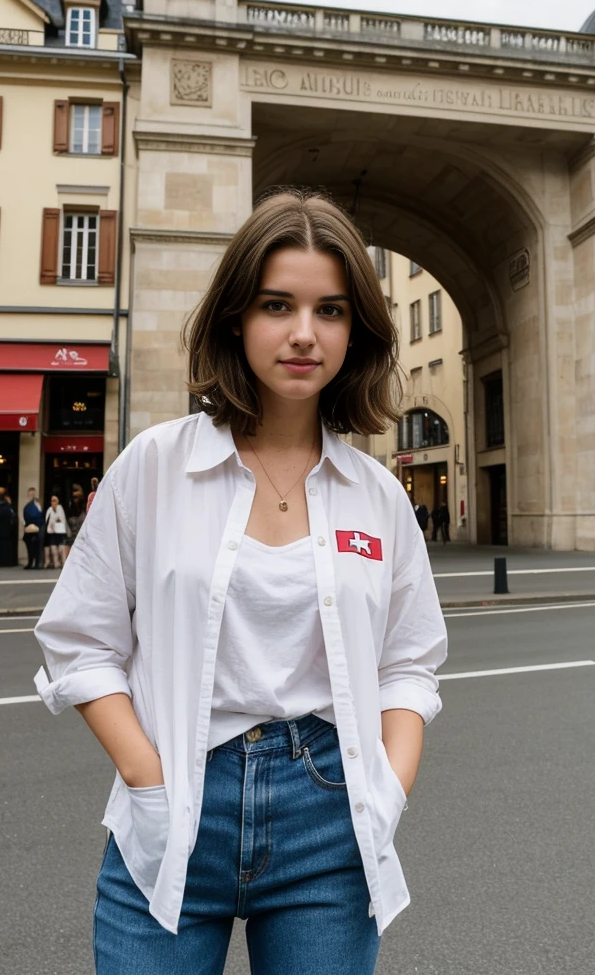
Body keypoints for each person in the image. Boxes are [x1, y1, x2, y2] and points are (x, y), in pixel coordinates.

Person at [33, 188, 448, 975]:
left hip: (329, 821)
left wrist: (386, 792)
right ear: (235, 317)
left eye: (329, 310)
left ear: (354, 329)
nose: (303, 333)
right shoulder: (156, 466)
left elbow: (410, 664)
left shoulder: (377, 493)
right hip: (177, 808)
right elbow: (80, 642)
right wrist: (145, 777)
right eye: (275, 305)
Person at [0, 487, 16, 567]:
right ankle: (7, 562)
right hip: (7, 531)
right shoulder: (7, 507)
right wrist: (10, 504)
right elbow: (13, 516)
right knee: (6, 547)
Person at [44, 494, 68, 570]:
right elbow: (47, 520)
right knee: (53, 549)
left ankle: (63, 563)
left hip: (60, 532)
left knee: (61, 548)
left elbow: (61, 519)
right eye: (52, 501)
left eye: (55, 500)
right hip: (52, 532)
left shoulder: (60, 509)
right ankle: (56, 563)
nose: (53, 502)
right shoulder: (49, 510)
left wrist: (54, 519)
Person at [22, 488, 44, 570]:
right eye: (30, 494)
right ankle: (30, 562)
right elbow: (24, 517)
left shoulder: (38, 505)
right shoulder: (27, 506)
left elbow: (40, 516)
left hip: (37, 528)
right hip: (29, 528)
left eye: (33, 494)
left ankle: (37, 563)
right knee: (30, 547)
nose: (31, 495)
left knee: (37, 547)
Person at [65, 483, 87, 558]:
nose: (76, 500)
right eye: (74, 497)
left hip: (82, 538)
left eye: (78, 497)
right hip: (73, 537)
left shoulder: (85, 509)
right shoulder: (71, 510)